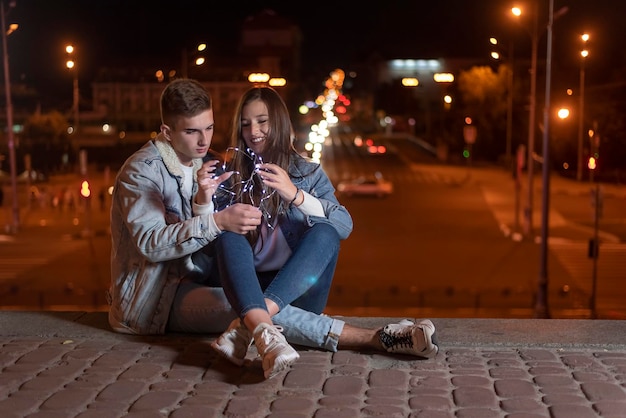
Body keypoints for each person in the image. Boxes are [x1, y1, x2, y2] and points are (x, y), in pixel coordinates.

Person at [107, 78, 438, 381]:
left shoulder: (304, 172)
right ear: (167, 132)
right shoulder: (216, 173)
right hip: (194, 291)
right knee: (230, 236)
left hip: (288, 290)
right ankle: (377, 337)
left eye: (209, 128)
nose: (253, 131)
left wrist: (295, 194)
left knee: (322, 235)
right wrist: (208, 207)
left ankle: (247, 324)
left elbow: (343, 225)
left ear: (278, 123)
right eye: (246, 124)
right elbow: (202, 249)